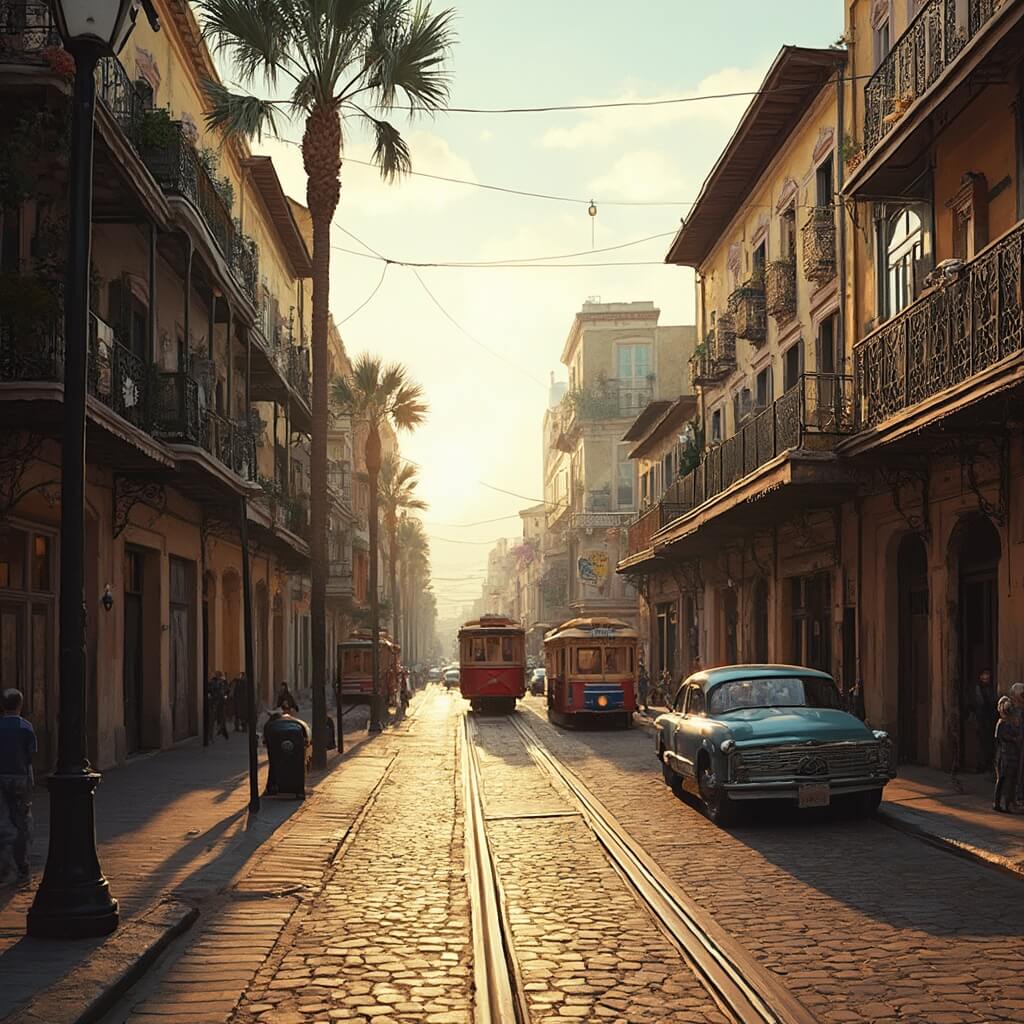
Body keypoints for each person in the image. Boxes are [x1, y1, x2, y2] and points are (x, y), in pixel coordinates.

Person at [0, 688, 36, 884]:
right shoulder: (26, 727)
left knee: (3, 820)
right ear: (20, 705)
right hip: (20, 777)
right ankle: (22, 866)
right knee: (21, 822)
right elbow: (30, 757)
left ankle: (4, 867)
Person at [993, 696, 1020, 813]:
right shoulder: (1001, 723)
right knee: (1003, 780)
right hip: (1004, 755)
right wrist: (1013, 739)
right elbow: (1001, 738)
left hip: (1010, 754)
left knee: (1010, 780)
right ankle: (1000, 804)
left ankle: (1007, 803)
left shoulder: (1011, 722)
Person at [972, 669, 997, 773]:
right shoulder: (978, 689)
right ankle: (981, 765)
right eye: (984, 675)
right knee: (981, 743)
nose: (986, 677)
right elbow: (979, 703)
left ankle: (988, 764)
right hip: (981, 719)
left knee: (989, 743)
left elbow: (993, 701)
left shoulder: (991, 688)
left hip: (989, 719)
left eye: (987, 675)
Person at [205, 671, 229, 741]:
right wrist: (211, 697)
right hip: (214, 703)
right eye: (218, 675)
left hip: (220, 703)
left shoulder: (222, 682)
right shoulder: (212, 682)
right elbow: (209, 691)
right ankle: (210, 735)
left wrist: (225, 696)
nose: (219, 676)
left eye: (219, 675)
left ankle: (222, 731)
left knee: (221, 718)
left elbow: (227, 690)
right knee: (212, 720)